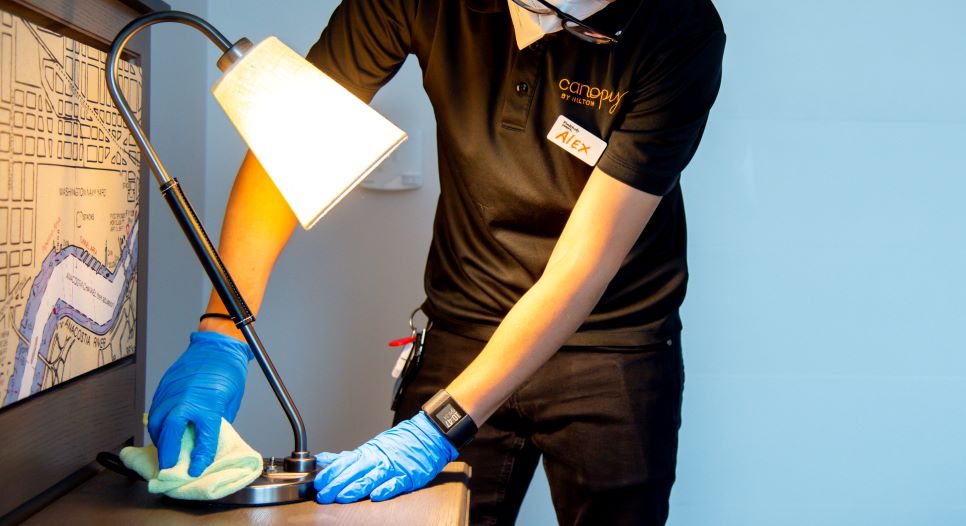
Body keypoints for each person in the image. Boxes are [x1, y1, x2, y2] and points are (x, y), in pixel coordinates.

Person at [147, 0, 725, 524]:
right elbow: (286, 136)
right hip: (465, 323)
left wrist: (439, 427)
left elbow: (584, 262)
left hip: (612, 340)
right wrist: (223, 332)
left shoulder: (679, 27)